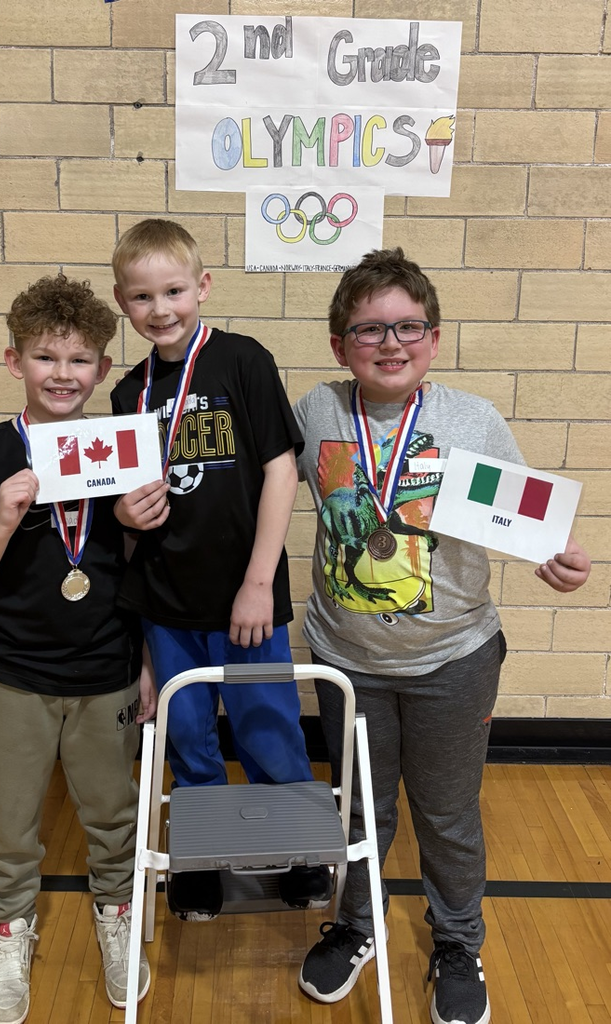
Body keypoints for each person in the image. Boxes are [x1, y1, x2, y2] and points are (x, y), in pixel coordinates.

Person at [293, 248, 591, 1024]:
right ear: (338, 345)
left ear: (433, 337)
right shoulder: (316, 412)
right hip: (344, 659)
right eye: (369, 331)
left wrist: (556, 560)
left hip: (453, 658)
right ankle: (356, 925)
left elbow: (529, 525)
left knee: (447, 811)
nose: (391, 344)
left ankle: (457, 940)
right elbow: (250, 496)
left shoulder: (471, 419)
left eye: (408, 328)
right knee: (360, 810)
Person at [0, 274, 151, 1024]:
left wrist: (133, 522)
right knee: (8, 822)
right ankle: (10, 932)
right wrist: (1, 520)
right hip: (11, 676)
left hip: (107, 671)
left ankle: (117, 920)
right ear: (13, 362)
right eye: (45, 357)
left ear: (101, 367)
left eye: (81, 359)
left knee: (113, 813)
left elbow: (144, 573)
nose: (63, 374)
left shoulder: (123, 449)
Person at [110, 218, 332, 920]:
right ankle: (200, 859)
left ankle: (297, 851)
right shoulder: (128, 395)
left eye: (174, 290)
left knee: (269, 731)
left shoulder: (242, 360)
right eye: (143, 297)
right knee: (191, 740)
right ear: (124, 304)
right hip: (167, 604)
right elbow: (124, 513)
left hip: (247, 598)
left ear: (202, 287)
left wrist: (260, 580)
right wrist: (123, 516)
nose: (161, 308)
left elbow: (279, 471)